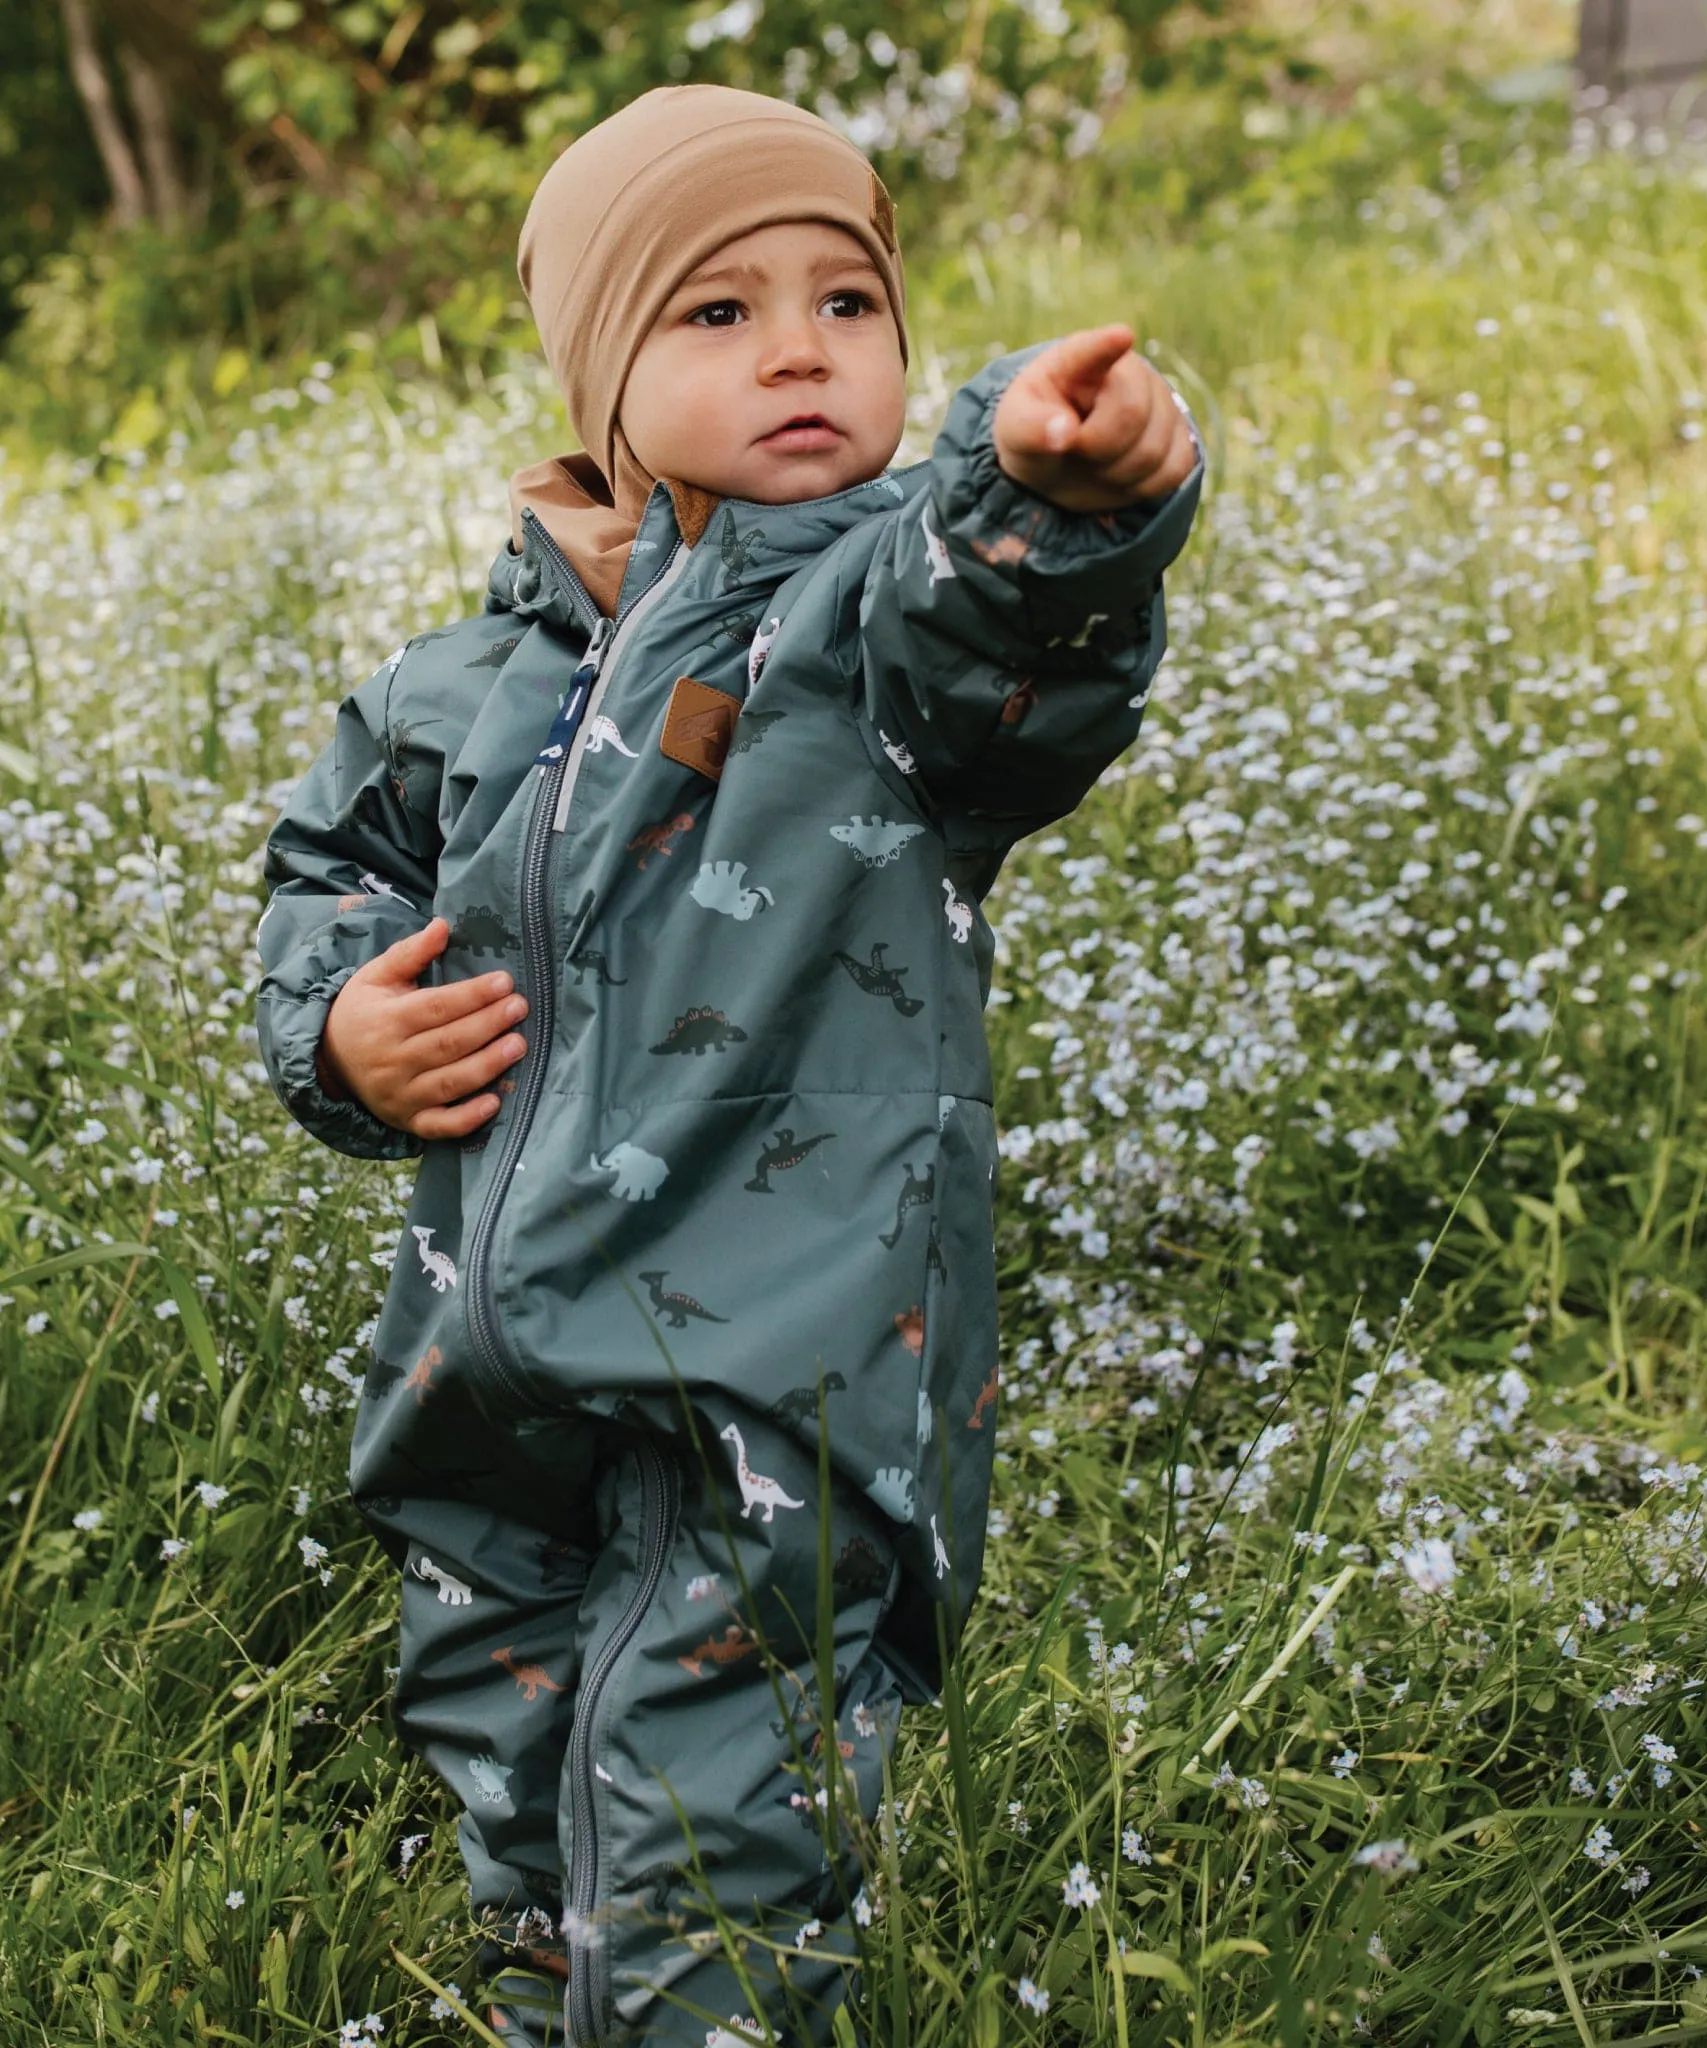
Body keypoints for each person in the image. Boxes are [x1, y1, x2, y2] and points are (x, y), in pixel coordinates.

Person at [254, 82, 1201, 2048]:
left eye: (847, 301)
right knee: (505, 1715)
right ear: (600, 370)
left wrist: (1060, 501)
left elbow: (1007, 643)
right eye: (716, 310)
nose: (798, 345)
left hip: (777, 1343)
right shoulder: (462, 680)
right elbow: (325, 875)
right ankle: (551, 1994)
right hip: (483, 1345)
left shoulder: (872, 632)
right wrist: (341, 1019)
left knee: (720, 1771)